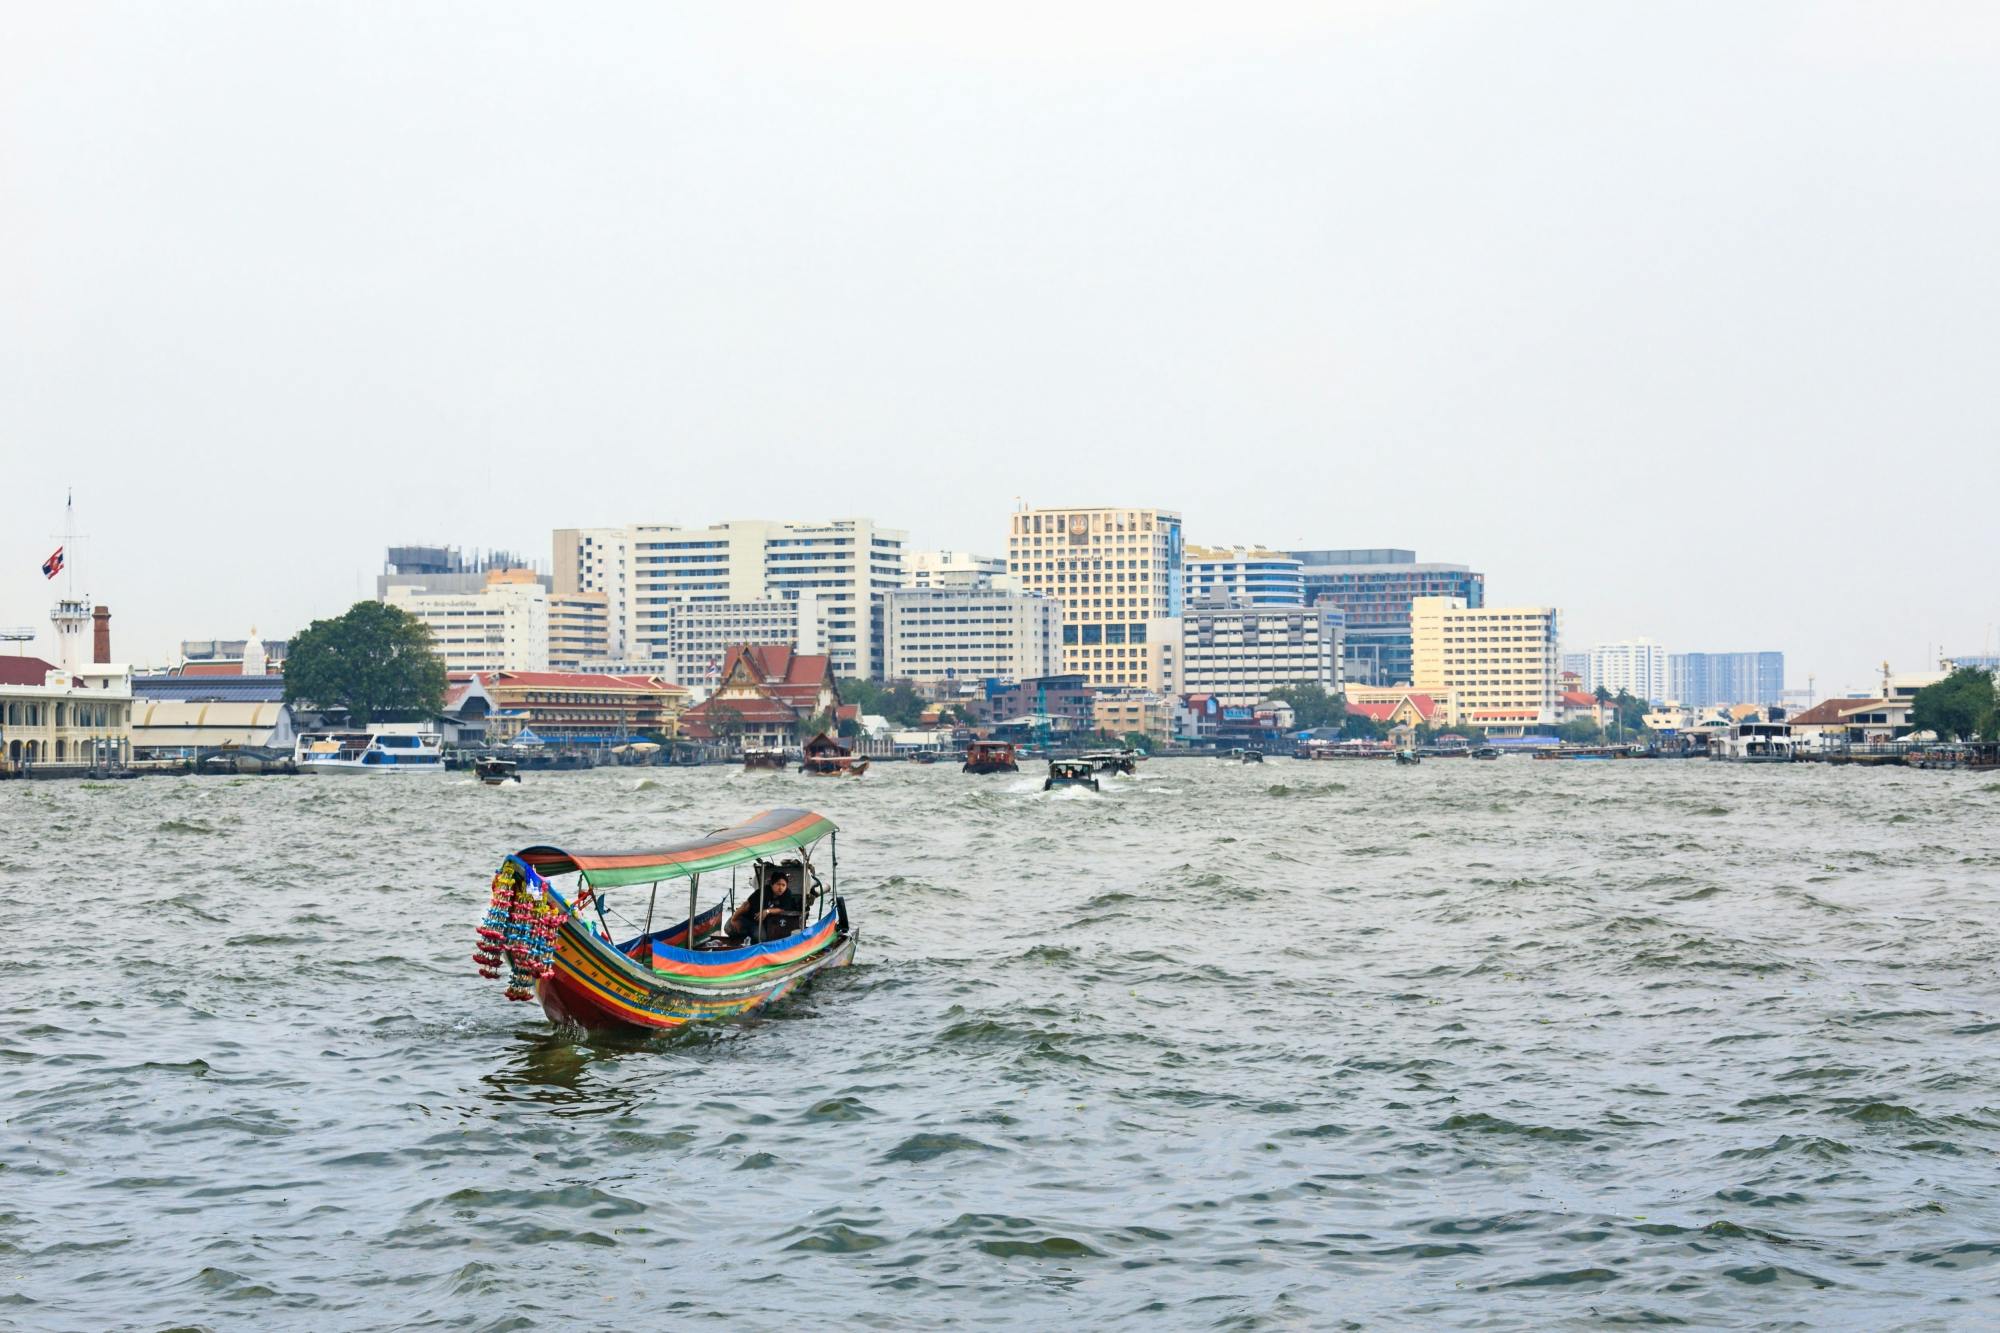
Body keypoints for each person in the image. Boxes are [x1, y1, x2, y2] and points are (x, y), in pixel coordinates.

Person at [726, 869, 803, 944]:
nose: (781, 888)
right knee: (729, 928)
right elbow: (746, 905)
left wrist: (767, 911)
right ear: (772, 884)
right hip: (745, 918)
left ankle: (750, 941)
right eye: (778, 884)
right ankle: (738, 941)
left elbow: (781, 909)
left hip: (757, 923)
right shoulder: (763, 892)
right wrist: (734, 919)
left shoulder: (787, 894)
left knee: (761, 938)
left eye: (783, 885)